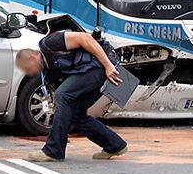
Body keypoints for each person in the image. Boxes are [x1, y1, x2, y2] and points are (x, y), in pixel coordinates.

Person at [15, 30, 128, 162]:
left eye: (28, 69)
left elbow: (85, 39)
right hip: (93, 71)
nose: (29, 74)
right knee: (75, 114)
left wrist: (108, 65)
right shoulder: (50, 71)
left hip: (101, 66)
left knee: (62, 95)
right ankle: (114, 145)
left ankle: (53, 151)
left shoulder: (50, 43)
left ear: (32, 58)